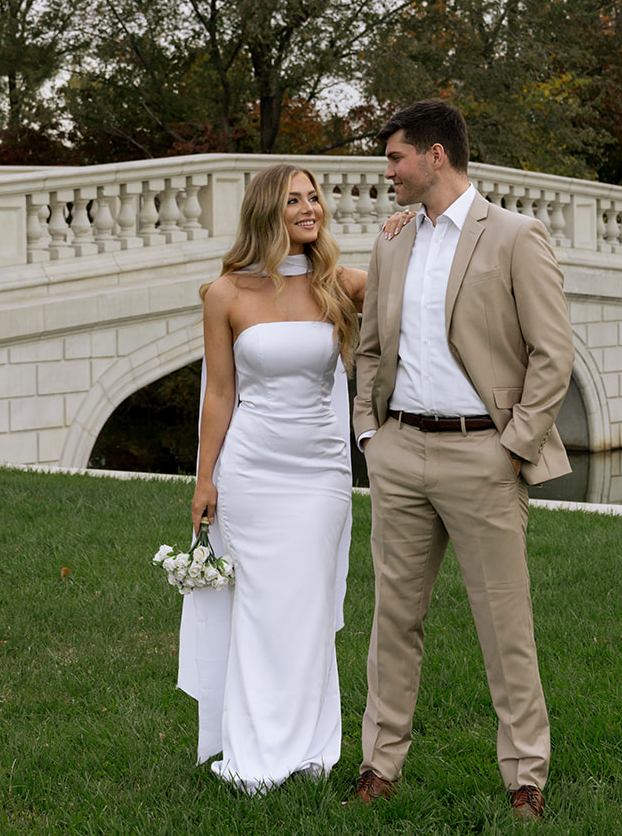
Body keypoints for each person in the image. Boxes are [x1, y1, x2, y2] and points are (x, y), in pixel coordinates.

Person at [350, 99, 574, 822]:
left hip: (484, 453)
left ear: (435, 156)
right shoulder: (392, 240)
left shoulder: (514, 236)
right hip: (399, 450)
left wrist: (513, 447)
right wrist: (368, 436)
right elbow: (371, 348)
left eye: (395, 158)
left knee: (504, 625)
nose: (386, 171)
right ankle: (380, 765)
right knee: (393, 621)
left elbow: (553, 355)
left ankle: (525, 776)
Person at [177, 163, 397, 793]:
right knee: (258, 608)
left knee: (306, 607)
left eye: (314, 198)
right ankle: (253, 747)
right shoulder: (223, 294)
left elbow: (417, 283)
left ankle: (311, 747)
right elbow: (219, 393)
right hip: (251, 470)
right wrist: (205, 479)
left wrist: (409, 228)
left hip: (320, 473)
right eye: (294, 200)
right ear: (268, 212)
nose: (310, 208)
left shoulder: (338, 283)